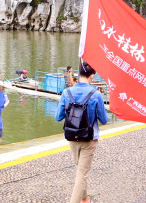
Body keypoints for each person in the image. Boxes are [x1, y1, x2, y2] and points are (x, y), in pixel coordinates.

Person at [55, 61, 107, 203]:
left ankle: (84, 198)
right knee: (82, 174)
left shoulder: (67, 92)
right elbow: (104, 120)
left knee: (81, 171)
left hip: (72, 137)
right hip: (89, 139)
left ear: (78, 74)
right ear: (92, 75)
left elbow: (58, 117)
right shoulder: (96, 94)